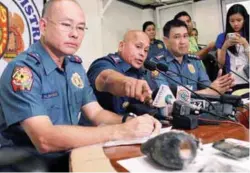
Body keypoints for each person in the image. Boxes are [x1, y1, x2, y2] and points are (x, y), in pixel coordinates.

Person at [0, 0, 161, 170]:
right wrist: (121, 131)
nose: (74, 34)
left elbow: (96, 113)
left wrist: (130, 122)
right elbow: (44, 139)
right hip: (25, 162)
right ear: (43, 26)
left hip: (67, 154)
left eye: (80, 27)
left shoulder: (74, 67)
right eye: (66, 25)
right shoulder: (23, 71)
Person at [149, 19, 234, 95]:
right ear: (166, 41)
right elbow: (165, 97)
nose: (183, 42)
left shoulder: (194, 60)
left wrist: (217, 87)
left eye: (185, 36)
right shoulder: (156, 64)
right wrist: (207, 92)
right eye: (177, 37)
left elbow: (208, 89)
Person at [87, 30, 153, 114]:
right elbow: (106, 78)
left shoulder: (143, 72)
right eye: (138, 46)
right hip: (101, 125)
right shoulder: (104, 63)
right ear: (121, 46)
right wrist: (126, 82)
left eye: (146, 50)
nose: (142, 54)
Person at [215, 4, 249, 85]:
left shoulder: (248, 35)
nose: (235, 24)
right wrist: (225, 46)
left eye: (239, 20)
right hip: (231, 81)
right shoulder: (222, 37)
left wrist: (246, 44)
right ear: (228, 21)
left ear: (245, 19)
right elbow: (220, 65)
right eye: (232, 21)